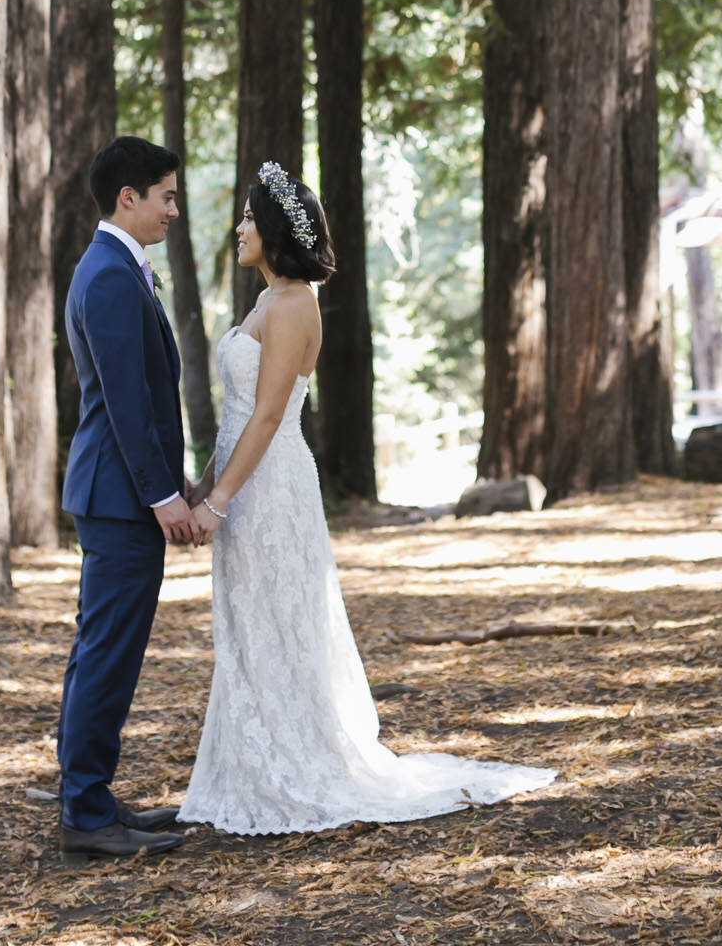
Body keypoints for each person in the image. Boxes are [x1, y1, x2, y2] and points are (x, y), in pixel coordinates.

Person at [177, 161, 555, 836]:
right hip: (242, 480)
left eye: (246, 218)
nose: (237, 229)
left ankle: (298, 761)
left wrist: (219, 502)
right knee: (250, 619)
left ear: (273, 231)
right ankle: (252, 759)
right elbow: (236, 416)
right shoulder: (265, 301)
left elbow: (266, 418)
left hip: (270, 485)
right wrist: (204, 483)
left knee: (280, 620)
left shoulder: (294, 306)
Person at [55, 135, 197, 863]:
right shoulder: (110, 273)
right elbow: (125, 402)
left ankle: (96, 798)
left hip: (117, 494)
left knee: (104, 652)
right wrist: (163, 496)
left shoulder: (117, 266)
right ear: (128, 198)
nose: (174, 209)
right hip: (118, 498)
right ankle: (83, 814)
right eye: (166, 195)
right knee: (106, 654)